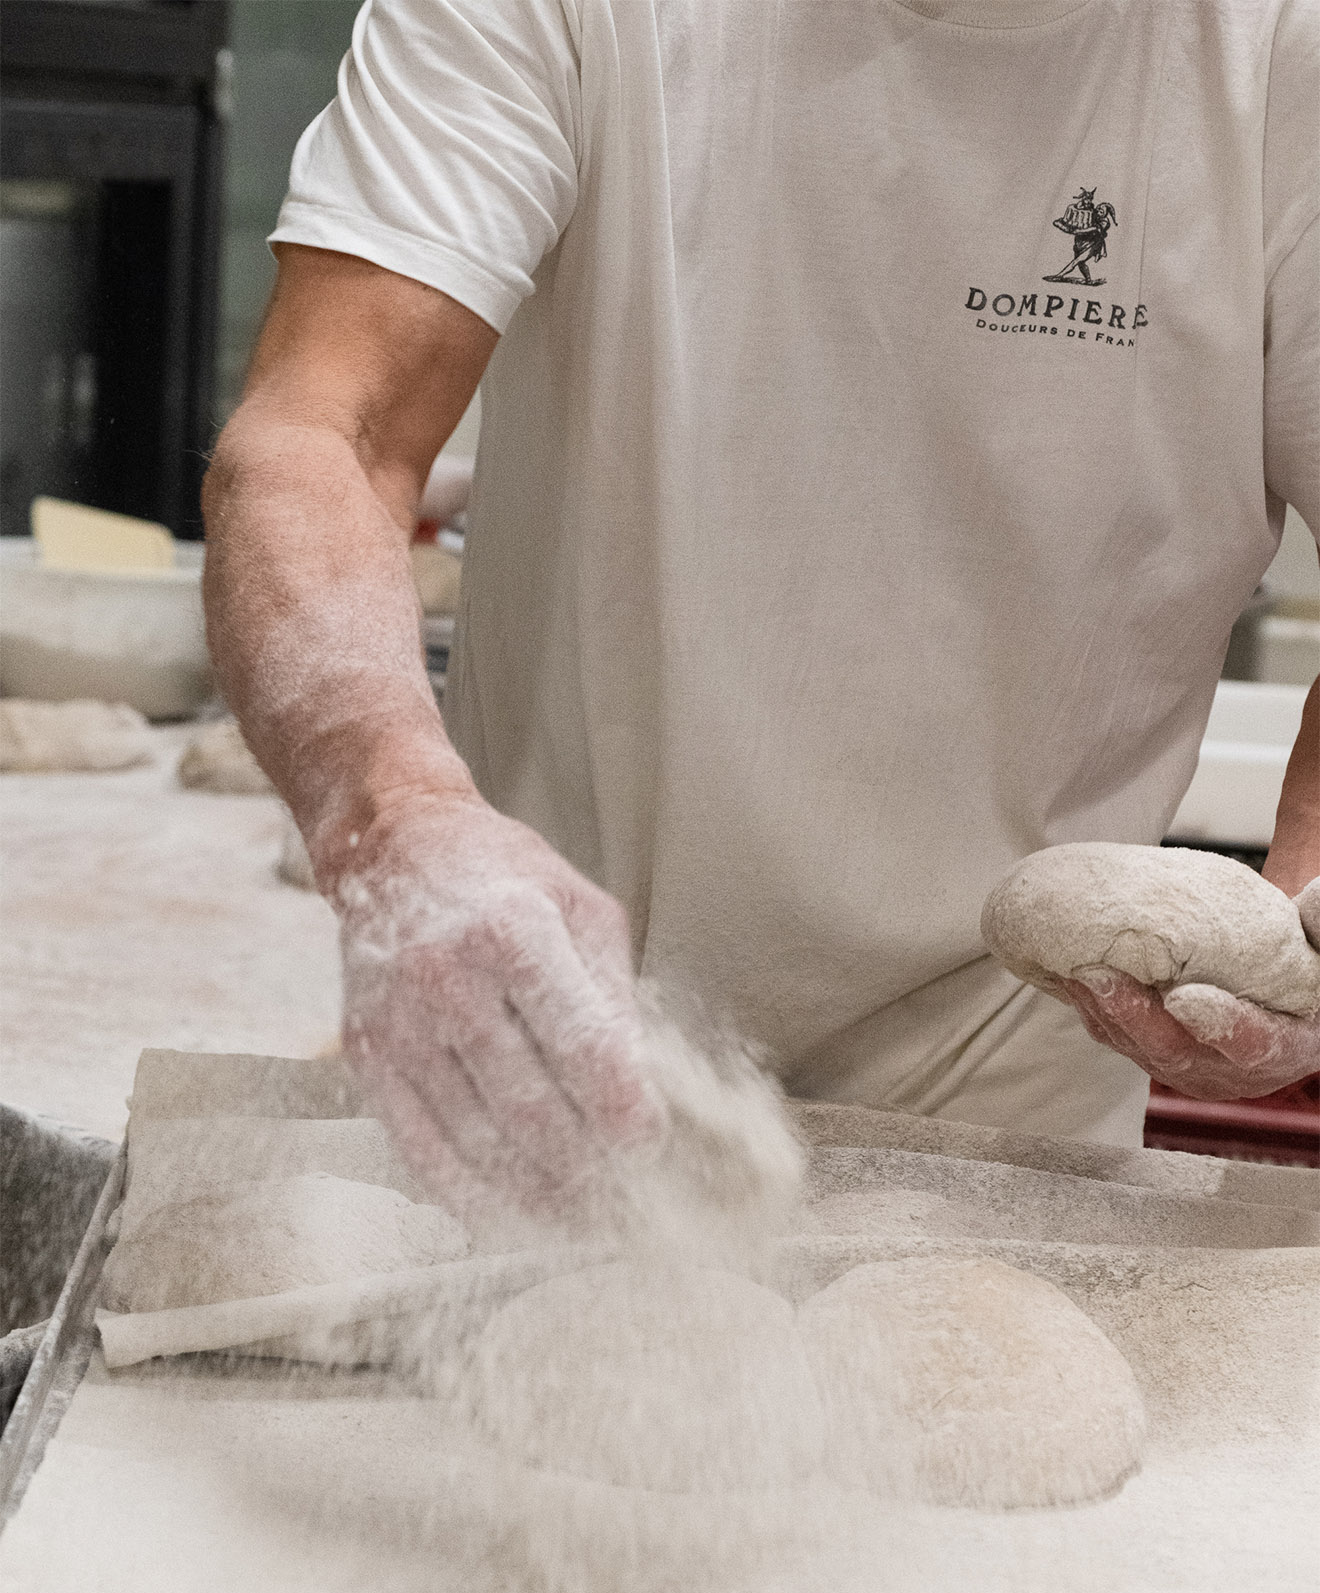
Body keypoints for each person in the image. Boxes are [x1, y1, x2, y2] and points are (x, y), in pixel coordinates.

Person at [202, 0, 1319, 1213]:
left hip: (1015, 1125)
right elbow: (327, 435)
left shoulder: (1283, 54)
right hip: (546, 1054)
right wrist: (400, 825)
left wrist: (1304, 932)